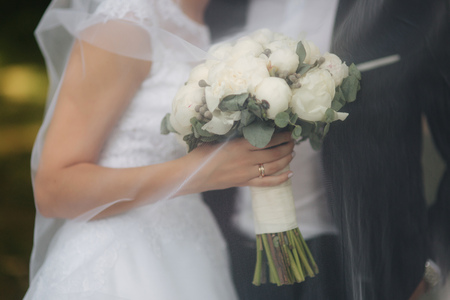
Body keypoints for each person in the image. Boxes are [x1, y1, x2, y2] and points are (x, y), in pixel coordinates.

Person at [24, 0, 295, 299]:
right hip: (120, 263)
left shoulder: (210, 19)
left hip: (190, 250)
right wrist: (200, 171)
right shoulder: (125, 22)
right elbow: (53, 189)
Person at [205, 0, 450, 299]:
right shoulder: (218, 9)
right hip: (240, 257)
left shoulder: (403, 9)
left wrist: (432, 265)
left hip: (370, 265)